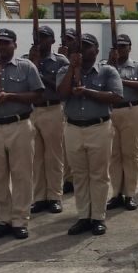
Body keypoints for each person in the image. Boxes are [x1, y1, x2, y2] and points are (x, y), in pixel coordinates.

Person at [0, 29, 45, 240]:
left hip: (19, 124)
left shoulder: (26, 66)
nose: (2, 47)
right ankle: (3, 219)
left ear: (14, 44)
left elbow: (37, 95)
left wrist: (11, 96)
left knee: (21, 175)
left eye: (6, 43)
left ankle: (20, 219)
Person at [58, 34, 123, 237]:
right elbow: (60, 94)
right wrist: (72, 68)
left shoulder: (107, 71)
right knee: (80, 175)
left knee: (98, 174)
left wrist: (87, 92)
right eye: (78, 48)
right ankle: (83, 216)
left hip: (99, 127)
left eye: (87, 47)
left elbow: (116, 96)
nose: (82, 52)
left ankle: (98, 216)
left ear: (96, 50)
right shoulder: (64, 70)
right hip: (73, 127)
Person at [105, 33, 138, 211]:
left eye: (124, 46)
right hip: (111, 110)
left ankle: (130, 193)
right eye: (118, 46)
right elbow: (98, 83)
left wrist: (122, 80)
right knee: (114, 155)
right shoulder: (105, 66)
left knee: (131, 154)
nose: (121, 49)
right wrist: (111, 65)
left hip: (131, 109)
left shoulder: (137, 66)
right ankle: (116, 193)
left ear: (130, 48)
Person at [26, 25, 69, 215]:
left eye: (44, 37)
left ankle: (54, 196)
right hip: (33, 110)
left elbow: (61, 87)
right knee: (36, 157)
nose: (39, 41)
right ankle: (39, 197)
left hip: (53, 108)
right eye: (37, 37)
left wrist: (38, 72)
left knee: (54, 156)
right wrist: (32, 64)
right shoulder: (26, 61)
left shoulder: (60, 61)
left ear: (52, 41)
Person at [59, 28, 77, 195]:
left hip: (73, 106)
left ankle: (74, 178)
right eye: (64, 39)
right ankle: (68, 179)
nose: (67, 43)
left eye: (70, 39)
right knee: (64, 148)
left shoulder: (80, 60)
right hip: (63, 105)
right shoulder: (59, 60)